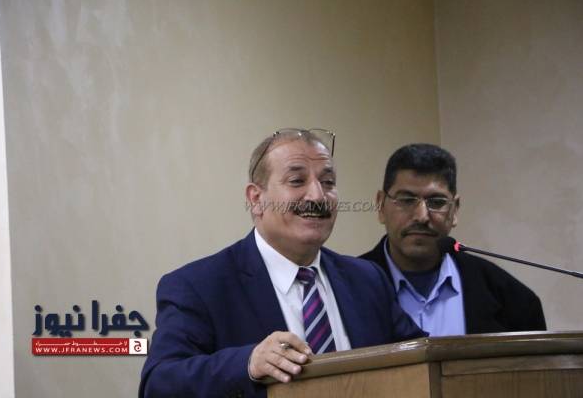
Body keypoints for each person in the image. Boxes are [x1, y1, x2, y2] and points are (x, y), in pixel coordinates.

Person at [139, 129, 424, 398]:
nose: (318, 196)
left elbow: (423, 359)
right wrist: (248, 364)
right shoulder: (199, 286)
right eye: (297, 181)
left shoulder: (368, 279)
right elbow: (159, 384)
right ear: (256, 199)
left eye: (328, 182)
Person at [360, 143, 546, 336]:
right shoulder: (347, 290)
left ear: (454, 210)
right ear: (381, 206)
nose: (422, 216)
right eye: (406, 200)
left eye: (436, 202)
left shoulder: (514, 300)